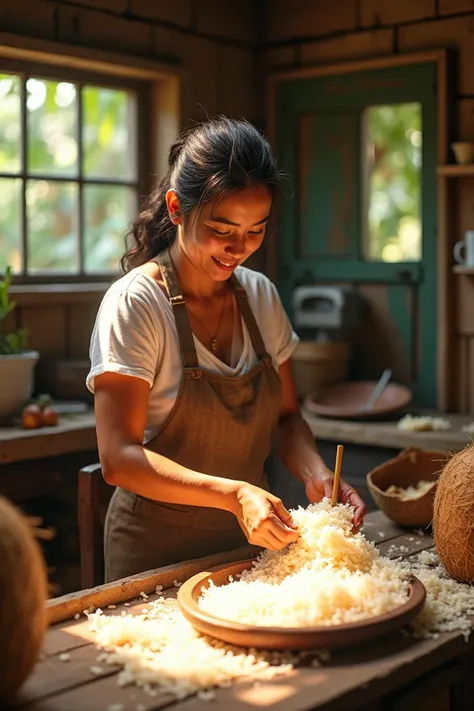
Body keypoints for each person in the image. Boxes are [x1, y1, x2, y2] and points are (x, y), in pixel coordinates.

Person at [87, 116, 366, 582]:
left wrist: (318, 475)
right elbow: (118, 458)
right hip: (153, 556)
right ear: (176, 208)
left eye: (255, 230)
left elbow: (286, 418)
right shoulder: (136, 303)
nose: (238, 248)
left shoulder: (260, 296)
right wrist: (235, 495)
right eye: (222, 228)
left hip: (249, 552)